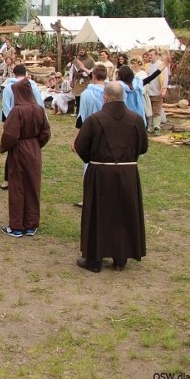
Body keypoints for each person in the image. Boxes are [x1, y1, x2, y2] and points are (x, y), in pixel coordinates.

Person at [75, 82, 148, 273]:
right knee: (123, 213)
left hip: (100, 173)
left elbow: (81, 146)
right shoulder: (136, 119)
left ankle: (94, 259)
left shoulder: (94, 119)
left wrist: (94, 161)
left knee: (98, 214)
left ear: (105, 97)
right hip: (127, 173)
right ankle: (120, 257)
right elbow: (143, 147)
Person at [0, 80, 51, 237]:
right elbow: (46, 133)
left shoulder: (17, 111)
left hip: (19, 150)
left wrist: (4, 147)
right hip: (34, 150)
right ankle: (30, 224)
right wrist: (35, 145)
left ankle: (16, 226)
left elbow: (10, 134)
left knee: (17, 187)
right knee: (32, 186)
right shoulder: (39, 110)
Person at [144, 48, 169, 135]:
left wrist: (164, 89)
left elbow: (165, 78)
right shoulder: (147, 65)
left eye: (151, 55)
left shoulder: (161, 65)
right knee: (149, 109)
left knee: (157, 110)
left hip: (157, 90)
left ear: (156, 55)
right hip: (148, 91)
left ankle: (156, 127)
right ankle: (150, 126)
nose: (150, 56)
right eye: (149, 55)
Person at [69, 47, 95, 114]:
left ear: (86, 51)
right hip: (77, 80)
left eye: (83, 50)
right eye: (80, 50)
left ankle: (86, 111)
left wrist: (84, 73)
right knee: (77, 96)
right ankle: (78, 111)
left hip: (87, 80)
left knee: (85, 96)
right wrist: (70, 81)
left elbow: (92, 70)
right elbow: (71, 71)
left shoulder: (90, 60)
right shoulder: (75, 60)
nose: (82, 51)